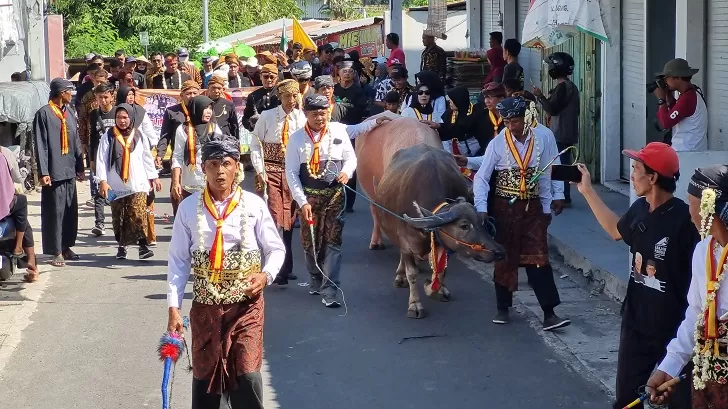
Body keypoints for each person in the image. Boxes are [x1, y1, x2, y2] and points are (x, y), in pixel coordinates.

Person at [575, 143, 697, 409]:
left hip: (674, 329)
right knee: (627, 400)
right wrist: (587, 191)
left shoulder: (686, 220)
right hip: (636, 323)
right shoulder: (640, 208)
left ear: (652, 178)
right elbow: (615, 230)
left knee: (681, 401)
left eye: (636, 169)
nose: (631, 175)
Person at [167, 138, 285, 409]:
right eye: (213, 164)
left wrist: (265, 276)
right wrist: (174, 307)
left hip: (247, 307)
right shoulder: (188, 209)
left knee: (247, 373)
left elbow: (275, 249)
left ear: (237, 169)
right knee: (206, 376)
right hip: (206, 307)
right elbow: (178, 261)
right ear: (203, 169)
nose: (220, 170)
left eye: (226, 164)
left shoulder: (254, 205)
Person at [472, 96, 569, 329]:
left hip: (533, 207)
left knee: (539, 258)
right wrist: (482, 208)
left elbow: (552, 169)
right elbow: (482, 177)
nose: (511, 126)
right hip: (505, 207)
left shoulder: (543, 136)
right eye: (506, 122)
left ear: (526, 118)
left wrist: (556, 197)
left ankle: (549, 313)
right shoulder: (497, 143)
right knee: (504, 255)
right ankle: (502, 307)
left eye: (514, 121)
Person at [285, 95, 387, 307]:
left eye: (323, 113)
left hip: (335, 197)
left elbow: (351, 158)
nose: (320, 117)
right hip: (309, 199)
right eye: (314, 114)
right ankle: (315, 276)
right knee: (311, 243)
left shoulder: (339, 130)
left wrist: (347, 172)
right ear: (306, 114)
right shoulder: (296, 139)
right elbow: (292, 173)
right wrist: (302, 202)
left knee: (333, 242)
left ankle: (330, 288)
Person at [646, 165, 728, 409]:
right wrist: (669, 366)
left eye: (691, 202)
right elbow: (696, 312)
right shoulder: (703, 251)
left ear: (707, 209)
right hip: (708, 376)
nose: (689, 211)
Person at [251, 79, 306, 285]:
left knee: (290, 220)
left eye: (294, 96)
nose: (291, 100)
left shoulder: (301, 118)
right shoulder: (267, 116)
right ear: (279, 97)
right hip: (271, 171)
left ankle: (286, 267)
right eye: (287, 96)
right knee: (275, 217)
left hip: (292, 172)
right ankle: (273, 266)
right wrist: (260, 170)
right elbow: (256, 145)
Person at [96, 104, 161, 260]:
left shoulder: (139, 135)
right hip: (114, 184)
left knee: (138, 214)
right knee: (118, 216)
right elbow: (101, 160)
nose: (122, 121)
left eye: (125, 117)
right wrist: (103, 181)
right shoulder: (108, 136)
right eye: (118, 117)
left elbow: (146, 158)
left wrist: (154, 177)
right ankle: (122, 246)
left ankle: (143, 246)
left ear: (131, 118)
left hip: (137, 183)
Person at [33, 78, 85, 267]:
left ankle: (67, 246)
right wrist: (43, 171)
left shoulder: (69, 112)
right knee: (55, 212)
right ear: (61, 92)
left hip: (69, 168)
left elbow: (76, 140)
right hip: (54, 171)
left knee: (70, 210)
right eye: (69, 91)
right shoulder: (44, 114)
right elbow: (41, 145)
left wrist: (80, 166)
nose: (71, 94)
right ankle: (56, 250)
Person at [533, 52, 580, 205]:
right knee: (563, 164)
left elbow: (552, 109)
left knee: (561, 165)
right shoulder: (570, 86)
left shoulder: (562, 87)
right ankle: (564, 195)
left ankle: (564, 197)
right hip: (566, 131)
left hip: (561, 132)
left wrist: (540, 96)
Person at [171, 96, 223, 212]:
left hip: (211, 184)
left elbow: (221, 153)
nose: (209, 111)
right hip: (190, 185)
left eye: (210, 108)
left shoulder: (214, 127)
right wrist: (176, 182)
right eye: (205, 108)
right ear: (196, 109)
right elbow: (177, 157)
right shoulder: (183, 129)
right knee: (191, 219)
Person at [652, 58, 708, 152]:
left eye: (666, 78)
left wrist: (661, 99)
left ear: (677, 77)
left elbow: (665, 123)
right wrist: (668, 96)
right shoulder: (690, 94)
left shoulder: (688, 98)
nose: (665, 82)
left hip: (687, 152)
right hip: (690, 151)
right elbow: (678, 113)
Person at [0, 149, 38, 282]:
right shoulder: (4, 153)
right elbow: (16, 179)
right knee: (22, 204)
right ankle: (21, 250)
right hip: (4, 206)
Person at [88, 83, 117, 236]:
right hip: (99, 157)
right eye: (100, 98)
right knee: (99, 190)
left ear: (112, 96)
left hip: (116, 158)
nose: (103, 101)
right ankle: (99, 223)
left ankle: (117, 222)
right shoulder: (94, 114)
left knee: (115, 190)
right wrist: (91, 159)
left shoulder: (119, 112)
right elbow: (92, 137)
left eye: (106, 97)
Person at [157, 80, 201, 175]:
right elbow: (165, 135)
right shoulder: (171, 112)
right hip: (179, 156)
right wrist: (160, 154)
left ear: (199, 94)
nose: (192, 96)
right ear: (181, 96)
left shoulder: (204, 110)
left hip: (201, 157)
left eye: (195, 93)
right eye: (188, 93)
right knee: (177, 187)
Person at [434, 86, 489, 157]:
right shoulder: (448, 113)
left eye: (452, 100)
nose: (449, 102)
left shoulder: (477, 112)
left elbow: (463, 127)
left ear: (458, 100)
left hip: (475, 152)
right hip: (453, 151)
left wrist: (440, 126)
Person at [242, 63, 280, 131]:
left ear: (277, 78)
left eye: (272, 77)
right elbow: (246, 118)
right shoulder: (253, 96)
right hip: (260, 133)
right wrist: (251, 124)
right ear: (260, 77)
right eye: (265, 77)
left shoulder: (282, 94)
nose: (269, 80)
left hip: (279, 131)